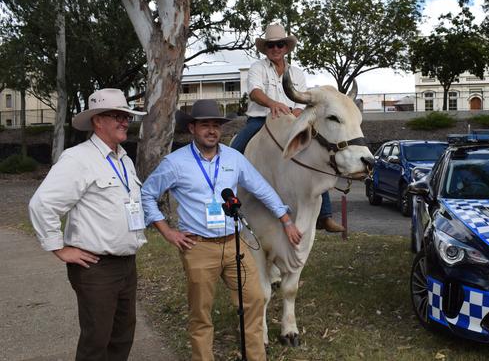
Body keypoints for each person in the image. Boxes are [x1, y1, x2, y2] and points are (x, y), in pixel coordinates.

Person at [141, 99, 302, 361]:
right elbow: (147, 195)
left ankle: (255, 356)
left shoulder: (233, 158)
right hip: (198, 246)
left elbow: (261, 189)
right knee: (201, 313)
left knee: (255, 300)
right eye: (205, 125)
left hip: (234, 244)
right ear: (192, 128)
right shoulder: (175, 163)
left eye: (216, 125)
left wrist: (286, 220)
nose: (212, 130)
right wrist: (167, 231)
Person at [28, 88, 147, 361]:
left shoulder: (124, 159)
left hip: (126, 264)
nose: (124, 121)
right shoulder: (78, 159)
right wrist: (59, 248)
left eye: (126, 116)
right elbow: (42, 204)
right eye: (117, 116)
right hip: (96, 268)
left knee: (122, 336)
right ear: (97, 121)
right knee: (97, 341)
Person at [230, 23, 344, 233]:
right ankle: (224, 198)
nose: (276, 48)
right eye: (271, 45)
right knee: (232, 153)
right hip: (261, 120)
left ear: (285, 47)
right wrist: (272, 104)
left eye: (280, 44)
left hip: (290, 121)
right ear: (266, 48)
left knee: (315, 153)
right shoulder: (258, 68)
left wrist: (298, 113)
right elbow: (254, 91)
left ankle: (325, 216)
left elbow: (302, 101)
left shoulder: (297, 73)